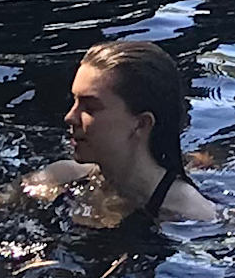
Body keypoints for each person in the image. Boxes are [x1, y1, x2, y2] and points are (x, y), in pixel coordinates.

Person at [31, 39, 216, 226]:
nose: (70, 117)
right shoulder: (61, 177)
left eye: (90, 108)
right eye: (75, 101)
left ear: (141, 124)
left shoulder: (191, 213)